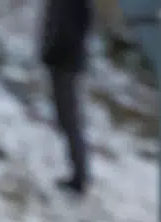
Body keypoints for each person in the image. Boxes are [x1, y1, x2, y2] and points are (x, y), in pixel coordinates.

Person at [40, 0, 94, 195]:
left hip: (65, 62)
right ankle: (78, 173)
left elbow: (67, 29)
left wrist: (52, 51)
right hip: (62, 61)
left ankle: (79, 176)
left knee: (69, 120)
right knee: (66, 119)